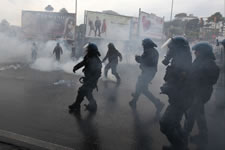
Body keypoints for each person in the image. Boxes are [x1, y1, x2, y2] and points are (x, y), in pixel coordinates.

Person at [160, 36, 193, 150]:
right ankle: (182, 144)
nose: (169, 51)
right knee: (175, 124)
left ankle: (178, 147)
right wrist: (167, 86)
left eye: (171, 48)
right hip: (177, 100)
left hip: (180, 101)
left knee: (165, 124)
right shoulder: (179, 61)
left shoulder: (183, 64)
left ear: (177, 49)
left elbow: (184, 86)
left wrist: (169, 88)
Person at [184, 42, 220, 145]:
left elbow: (209, 78)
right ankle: (203, 136)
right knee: (199, 114)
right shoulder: (201, 60)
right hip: (197, 92)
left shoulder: (208, 63)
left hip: (201, 93)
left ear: (203, 52)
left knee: (191, 114)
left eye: (197, 51)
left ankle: (183, 138)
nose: (195, 53)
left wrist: (196, 78)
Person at [129, 38, 164, 116]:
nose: (143, 46)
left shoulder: (149, 51)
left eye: (143, 44)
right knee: (140, 86)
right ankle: (134, 101)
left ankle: (158, 103)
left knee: (143, 89)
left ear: (146, 44)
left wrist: (138, 58)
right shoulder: (153, 51)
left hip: (148, 72)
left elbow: (145, 61)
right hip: (149, 72)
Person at [69, 43, 102, 112]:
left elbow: (98, 74)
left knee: (82, 91)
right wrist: (76, 67)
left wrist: (90, 81)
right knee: (87, 93)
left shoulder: (96, 61)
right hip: (88, 79)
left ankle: (77, 105)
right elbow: (83, 62)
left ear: (91, 50)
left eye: (88, 49)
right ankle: (93, 105)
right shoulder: (89, 56)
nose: (87, 50)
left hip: (91, 81)